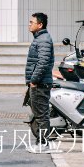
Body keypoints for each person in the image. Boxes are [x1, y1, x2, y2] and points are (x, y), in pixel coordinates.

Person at [25, 12, 55, 153]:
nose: (29, 24)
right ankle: (42, 143)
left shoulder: (43, 39)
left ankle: (43, 144)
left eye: (32, 22)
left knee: (42, 115)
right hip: (39, 82)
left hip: (40, 83)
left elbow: (42, 62)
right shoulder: (41, 38)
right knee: (40, 114)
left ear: (40, 24)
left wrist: (34, 81)